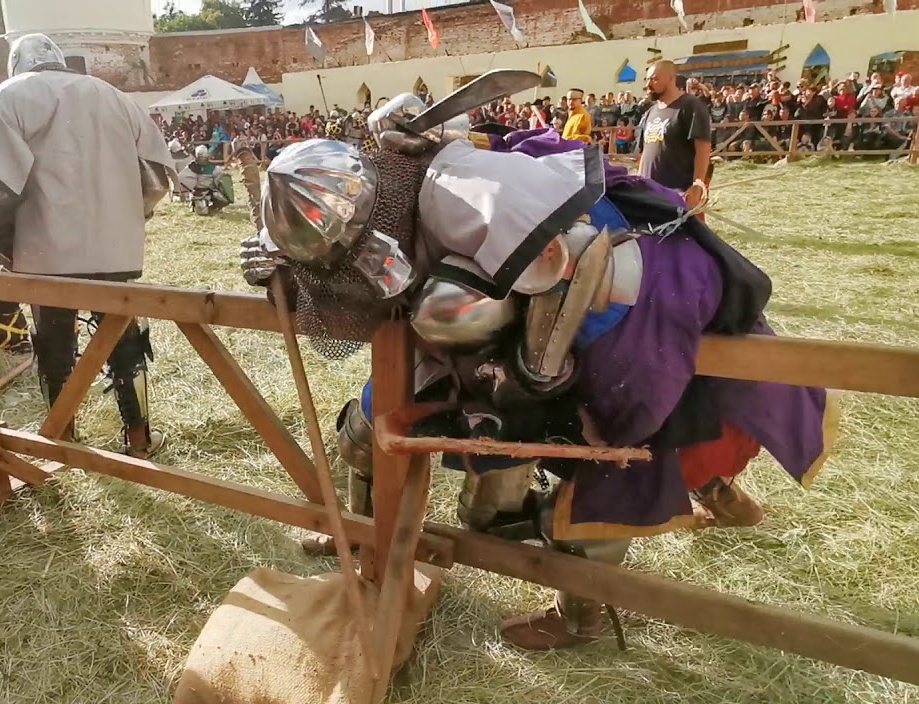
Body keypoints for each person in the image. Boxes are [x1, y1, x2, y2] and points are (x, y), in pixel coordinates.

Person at [240, 85, 834, 651]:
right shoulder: (394, 187)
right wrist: (283, 276)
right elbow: (353, 290)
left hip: (612, 313)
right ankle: (362, 539)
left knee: (595, 477)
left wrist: (529, 376)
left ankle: (582, 616)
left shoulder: (463, 196)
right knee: (368, 425)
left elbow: (564, 259)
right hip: (498, 320)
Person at [0, 33, 174, 457]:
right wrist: (126, 218)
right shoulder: (114, 96)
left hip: (45, 249)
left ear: (17, 63)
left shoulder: (10, 95)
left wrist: (9, 241)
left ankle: (61, 438)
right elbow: (155, 179)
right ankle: (139, 438)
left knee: (54, 343)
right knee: (124, 338)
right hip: (114, 249)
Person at [638, 60, 712, 212]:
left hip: (677, 193)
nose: (648, 84)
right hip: (649, 192)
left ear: (671, 79)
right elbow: (645, 151)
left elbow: (703, 148)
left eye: (654, 79)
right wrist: (639, 181)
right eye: (647, 79)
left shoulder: (691, 106)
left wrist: (698, 184)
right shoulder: (650, 112)